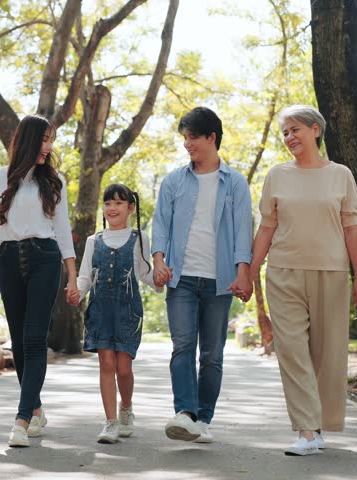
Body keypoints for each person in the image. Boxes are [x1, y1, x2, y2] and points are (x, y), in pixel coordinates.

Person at [249, 104, 357, 456]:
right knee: (291, 351)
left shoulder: (341, 175)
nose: (289, 138)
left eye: (295, 130)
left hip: (331, 272)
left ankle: (320, 428)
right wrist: (250, 270)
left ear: (315, 130)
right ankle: (305, 432)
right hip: (283, 272)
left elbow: (352, 231)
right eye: (285, 132)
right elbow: (267, 228)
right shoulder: (277, 176)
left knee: (328, 355)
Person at [0, 114, 79, 448]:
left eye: (51, 141)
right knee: (18, 341)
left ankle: (21, 419)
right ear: (29, 140)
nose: (48, 147)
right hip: (10, 260)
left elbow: (62, 232)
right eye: (44, 139)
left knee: (33, 338)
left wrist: (72, 275)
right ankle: (36, 407)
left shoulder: (53, 182)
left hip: (45, 259)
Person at [151, 106, 254, 444]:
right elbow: (160, 225)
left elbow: (243, 232)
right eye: (185, 138)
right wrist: (159, 261)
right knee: (183, 346)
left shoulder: (235, 183)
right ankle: (185, 413)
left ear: (212, 137)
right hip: (181, 278)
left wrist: (244, 273)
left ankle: (204, 419)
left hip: (219, 280)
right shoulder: (173, 181)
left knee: (212, 354)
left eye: (193, 137)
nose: (187, 145)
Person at [69, 184, 162, 444]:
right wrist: (77, 290)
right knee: (106, 364)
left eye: (119, 203)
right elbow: (85, 275)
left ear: (130, 208)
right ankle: (110, 423)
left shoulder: (140, 238)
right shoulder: (93, 241)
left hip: (127, 311)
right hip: (100, 310)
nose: (112, 208)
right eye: (108, 203)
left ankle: (126, 408)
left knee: (124, 368)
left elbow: (145, 273)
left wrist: (160, 281)